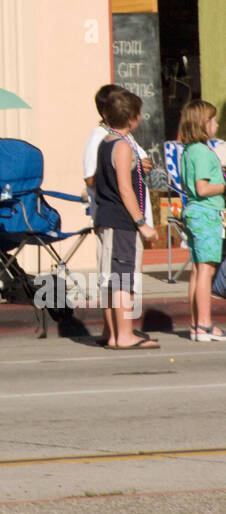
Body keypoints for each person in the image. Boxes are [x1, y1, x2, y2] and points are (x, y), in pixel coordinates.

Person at [83, 83, 154, 343]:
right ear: (133, 119)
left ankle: (114, 333)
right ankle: (123, 334)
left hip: (109, 218)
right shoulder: (121, 146)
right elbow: (125, 189)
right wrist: (141, 222)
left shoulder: (108, 142)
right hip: (121, 219)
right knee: (123, 277)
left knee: (112, 278)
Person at [178, 99, 226, 343]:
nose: (216, 123)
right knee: (207, 270)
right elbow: (203, 187)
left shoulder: (189, 151)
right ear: (202, 124)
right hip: (207, 214)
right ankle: (206, 325)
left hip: (194, 213)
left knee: (197, 271)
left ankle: (196, 324)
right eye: (213, 120)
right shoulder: (203, 152)